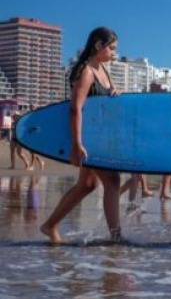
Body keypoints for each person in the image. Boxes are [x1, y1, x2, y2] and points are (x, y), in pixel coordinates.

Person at [40, 27, 122, 243]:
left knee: (88, 185)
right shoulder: (86, 71)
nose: (114, 53)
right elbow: (75, 108)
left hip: (98, 137)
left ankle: (50, 225)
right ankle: (116, 237)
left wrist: (114, 92)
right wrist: (76, 144)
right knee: (112, 181)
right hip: (85, 138)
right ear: (98, 45)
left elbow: (102, 102)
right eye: (111, 48)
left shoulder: (103, 70)